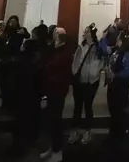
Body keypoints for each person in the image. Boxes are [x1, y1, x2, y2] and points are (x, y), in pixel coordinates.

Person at [39, 27, 74, 162]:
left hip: (57, 90)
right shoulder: (55, 51)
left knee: (56, 120)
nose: (54, 37)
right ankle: (52, 147)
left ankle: (57, 150)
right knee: (52, 120)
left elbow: (60, 72)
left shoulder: (64, 53)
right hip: (52, 89)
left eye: (56, 35)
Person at [69, 25, 106, 144]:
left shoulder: (98, 46)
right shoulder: (81, 46)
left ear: (92, 34)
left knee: (88, 106)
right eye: (85, 31)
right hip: (79, 81)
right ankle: (75, 130)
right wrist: (74, 72)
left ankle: (87, 131)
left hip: (91, 81)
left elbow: (102, 60)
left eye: (88, 31)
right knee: (78, 106)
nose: (85, 33)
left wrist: (95, 71)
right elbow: (76, 61)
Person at [102, 32, 129, 141]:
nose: (116, 41)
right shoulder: (116, 51)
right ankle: (114, 130)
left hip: (121, 85)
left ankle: (120, 132)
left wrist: (115, 75)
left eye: (118, 39)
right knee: (112, 108)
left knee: (119, 109)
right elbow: (104, 50)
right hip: (112, 84)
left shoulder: (128, 54)